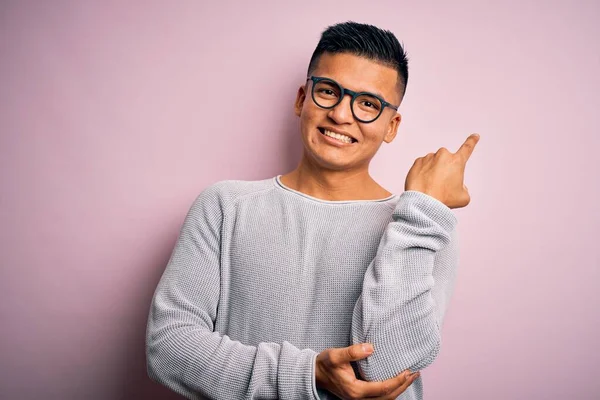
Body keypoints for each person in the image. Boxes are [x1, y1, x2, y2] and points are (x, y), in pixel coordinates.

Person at [145, 21, 480, 400]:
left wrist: (423, 211)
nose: (341, 114)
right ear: (302, 99)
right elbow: (168, 347)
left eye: (368, 104)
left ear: (392, 125)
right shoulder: (225, 206)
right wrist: (308, 373)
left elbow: (386, 368)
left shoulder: (425, 226)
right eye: (328, 92)